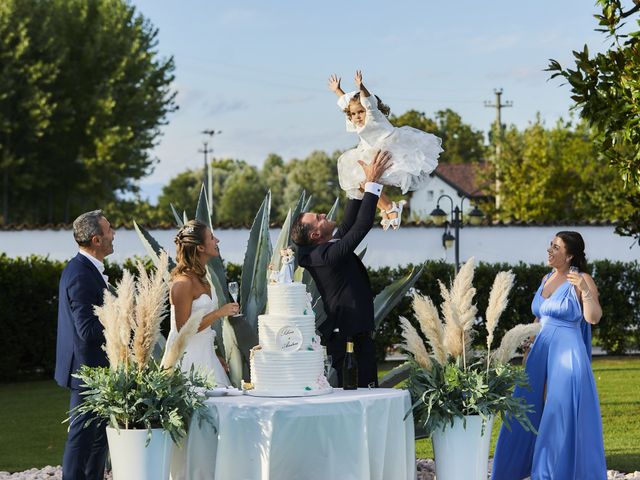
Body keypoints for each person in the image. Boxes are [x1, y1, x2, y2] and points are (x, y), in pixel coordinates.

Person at [491, 231, 607, 480]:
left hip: (567, 355)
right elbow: (541, 315)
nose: (550, 250)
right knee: (526, 409)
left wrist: (585, 289)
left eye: (556, 247)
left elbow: (593, 318)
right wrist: (530, 340)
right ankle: (516, 468)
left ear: (570, 255)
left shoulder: (582, 278)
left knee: (558, 411)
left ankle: (551, 472)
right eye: (551, 245)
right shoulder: (547, 277)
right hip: (540, 351)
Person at [291, 149, 392, 388]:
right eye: (319, 217)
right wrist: (373, 183)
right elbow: (361, 227)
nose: (324, 214)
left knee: (367, 390)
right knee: (360, 393)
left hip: (357, 333)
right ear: (316, 234)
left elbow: (349, 223)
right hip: (348, 337)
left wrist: (358, 183)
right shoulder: (324, 256)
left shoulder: (325, 247)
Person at [328, 70, 443, 230]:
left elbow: (367, 101)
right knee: (361, 184)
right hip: (370, 153)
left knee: (368, 182)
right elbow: (347, 103)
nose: (357, 117)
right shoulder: (355, 119)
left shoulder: (373, 116)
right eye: (354, 114)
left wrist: (361, 86)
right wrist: (337, 90)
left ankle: (390, 207)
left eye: (360, 112)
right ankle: (386, 207)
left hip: (390, 150)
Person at [55, 210, 114, 480]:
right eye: (109, 229)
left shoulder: (86, 268)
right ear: (96, 239)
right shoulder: (80, 274)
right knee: (81, 439)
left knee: (99, 438)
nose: (114, 234)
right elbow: (87, 330)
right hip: (88, 370)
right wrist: (120, 312)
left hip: (98, 368)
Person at [165, 220, 238, 386]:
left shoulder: (202, 279)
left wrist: (213, 354)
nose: (217, 241)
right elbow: (183, 329)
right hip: (188, 361)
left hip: (207, 357)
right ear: (200, 247)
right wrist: (219, 313)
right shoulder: (183, 283)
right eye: (211, 237)